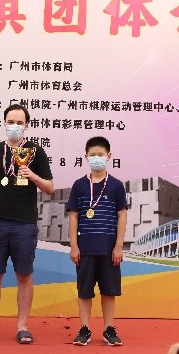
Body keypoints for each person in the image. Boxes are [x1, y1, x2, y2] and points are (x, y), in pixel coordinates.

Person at [0, 104, 54, 344]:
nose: (14, 126)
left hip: (24, 224)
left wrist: (33, 175)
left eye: (19, 122)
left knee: (24, 275)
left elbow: (50, 188)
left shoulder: (36, 151)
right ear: (4, 123)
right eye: (11, 122)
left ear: (26, 125)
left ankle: (22, 326)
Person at [66, 136, 127, 346]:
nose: (96, 158)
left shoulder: (116, 186)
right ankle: (84, 329)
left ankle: (109, 329)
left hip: (109, 250)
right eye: (92, 155)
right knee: (84, 291)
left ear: (109, 156)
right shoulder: (79, 185)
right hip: (85, 249)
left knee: (109, 291)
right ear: (86, 157)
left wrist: (119, 246)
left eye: (100, 155)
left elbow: (122, 215)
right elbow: (73, 216)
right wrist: (74, 246)